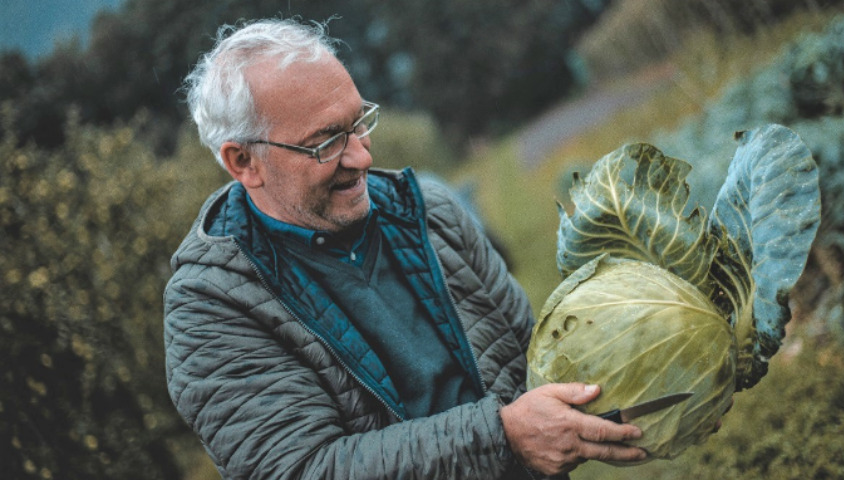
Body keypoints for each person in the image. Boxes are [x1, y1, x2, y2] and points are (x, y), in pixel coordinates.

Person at [164, 18, 647, 480]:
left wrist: (658, 364)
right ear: (244, 161)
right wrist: (502, 438)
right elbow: (300, 468)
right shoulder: (210, 307)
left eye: (359, 122)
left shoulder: (432, 212)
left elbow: (533, 354)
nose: (361, 156)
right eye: (326, 142)